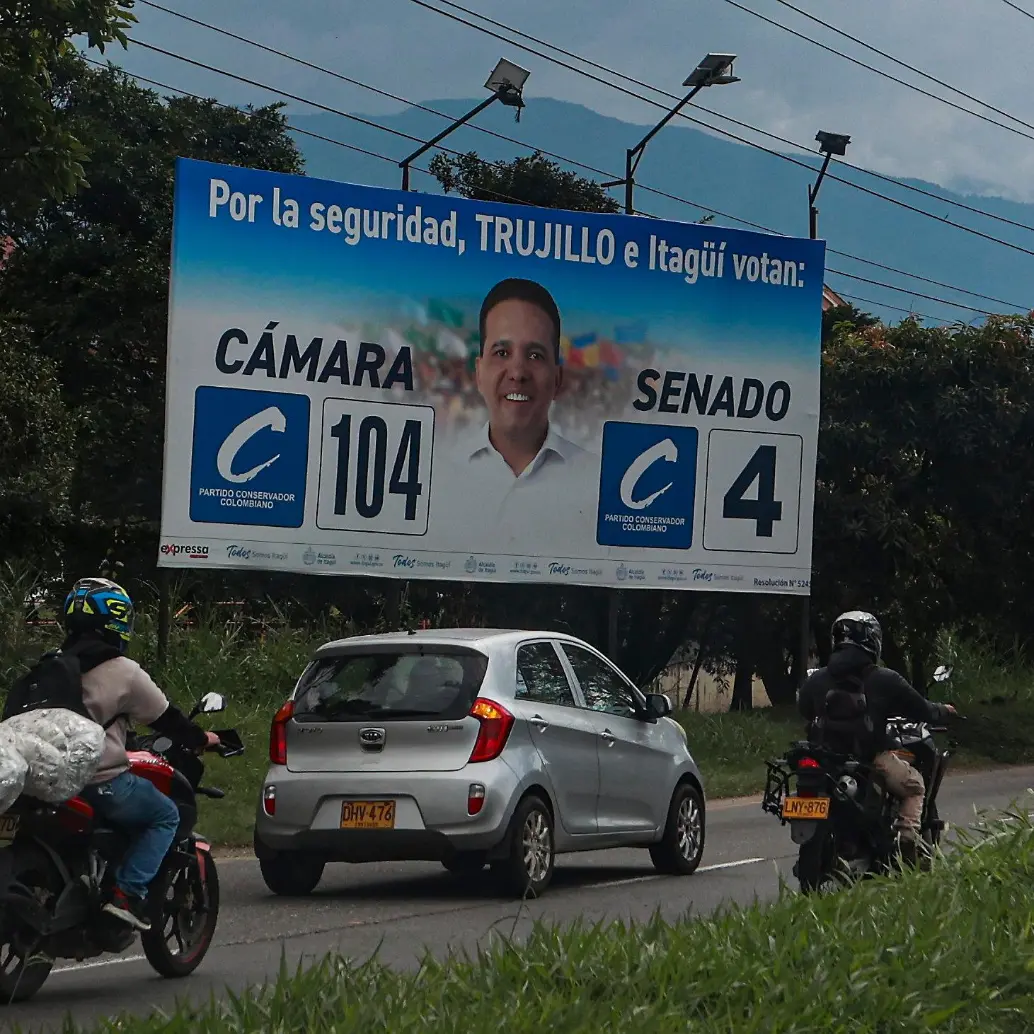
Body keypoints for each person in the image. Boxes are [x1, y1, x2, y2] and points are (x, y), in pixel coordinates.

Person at [61, 577, 220, 931]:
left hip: (46, 779)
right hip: (96, 779)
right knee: (165, 815)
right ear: (118, 620)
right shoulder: (122, 671)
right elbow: (167, 719)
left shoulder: (51, 665)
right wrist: (202, 738)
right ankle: (126, 894)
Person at [436, 277, 599, 553]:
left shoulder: (598, 483)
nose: (518, 372)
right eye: (502, 352)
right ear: (479, 372)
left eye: (535, 355)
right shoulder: (440, 479)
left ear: (557, 378)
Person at [797, 610, 956, 864]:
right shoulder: (884, 678)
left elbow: (804, 709)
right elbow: (922, 709)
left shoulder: (817, 678)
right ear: (873, 641)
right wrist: (944, 710)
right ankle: (907, 837)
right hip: (869, 759)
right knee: (915, 785)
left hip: (824, 760)